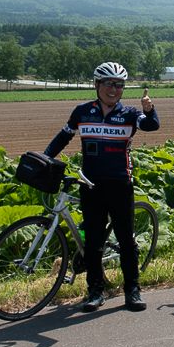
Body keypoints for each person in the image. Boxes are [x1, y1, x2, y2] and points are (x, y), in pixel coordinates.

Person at [45, 61, 159, 312]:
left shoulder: (130, 114)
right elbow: (64, 137)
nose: (114, 89)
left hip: (120, 185)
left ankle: (133, 290)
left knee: (126, 241)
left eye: (119, 85)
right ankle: (95, 292)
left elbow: (151, 125)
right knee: (93, 242)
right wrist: (46, 157)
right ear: (97, 85)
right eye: (109, 83)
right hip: (91, 184)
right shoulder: (82, 112)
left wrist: (150, 111)